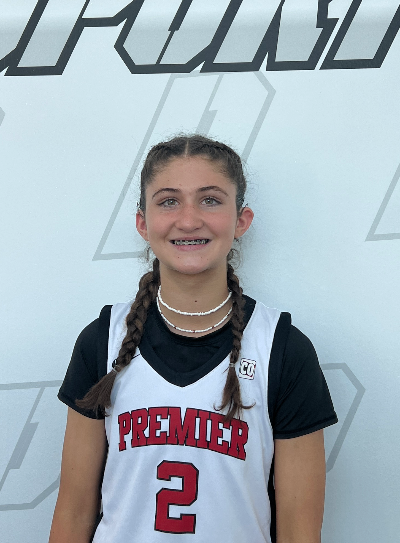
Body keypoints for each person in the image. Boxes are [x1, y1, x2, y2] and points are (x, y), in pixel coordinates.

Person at [49, 135, 337, 543]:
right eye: (168, 201)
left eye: (210, 200)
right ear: (142, 223)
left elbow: (298, 532)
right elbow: (74, 512)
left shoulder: (283, 348)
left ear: (241, 220)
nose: (188, 220)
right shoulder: (102, 340)